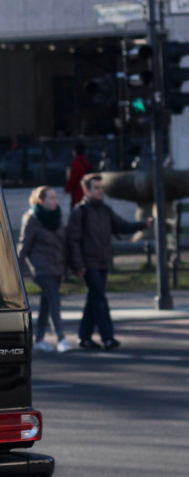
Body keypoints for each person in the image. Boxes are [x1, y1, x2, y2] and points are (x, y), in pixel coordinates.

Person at [66, 174, 152, 351]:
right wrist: (77, 264)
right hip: (88, 263)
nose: (100, 191)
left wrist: (143, 224)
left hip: (103, 261)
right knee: (100, 299)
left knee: (94, 299)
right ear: (86, 190)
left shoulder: (105, 210)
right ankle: (108, 338)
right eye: (96, 188)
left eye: (101, 187)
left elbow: (122, 226)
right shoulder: (80, 212)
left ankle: (85, 337)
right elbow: (73, 240)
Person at [18, 187, 69, 353]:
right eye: (51, 198)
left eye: (55, 197)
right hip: (41, 268)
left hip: (56, 267)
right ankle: (61, 339)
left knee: (46, 303)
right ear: (41, 201)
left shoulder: (57, 218)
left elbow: (63, 243)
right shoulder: (32, 219)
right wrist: (16, 270)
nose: (55, 201)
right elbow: (24, 245)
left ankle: (38, 339)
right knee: (54, 301)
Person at [64, 141, 90, 208]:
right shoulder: (86, 161)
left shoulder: (76, 162)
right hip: (86, 192)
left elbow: (73, 178)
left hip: (77, 193)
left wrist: (67, 188)